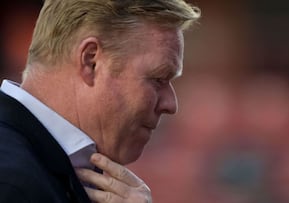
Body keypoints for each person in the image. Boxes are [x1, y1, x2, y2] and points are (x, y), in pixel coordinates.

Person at [0, 0, 200, 202]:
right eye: (158, 79)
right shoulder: (13, 183)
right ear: (91, 61)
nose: (171, 104)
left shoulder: (33, 167)